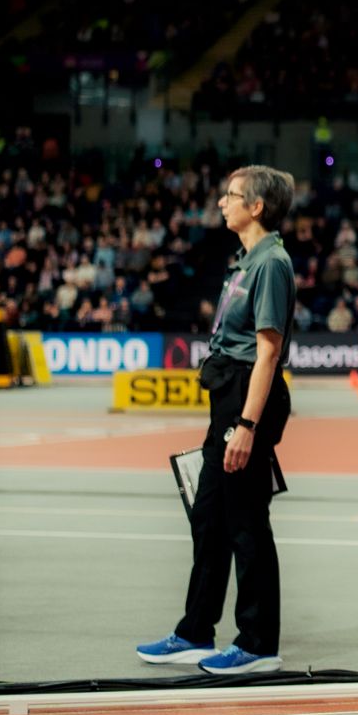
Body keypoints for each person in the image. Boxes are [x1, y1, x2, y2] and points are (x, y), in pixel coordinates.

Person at [137, 165, 297, 675]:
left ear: (257, 207)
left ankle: (258, 642)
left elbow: (268, 353)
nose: (222, 203)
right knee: (209, 517)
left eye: (231, 196)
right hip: (227, 394)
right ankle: (194, 632)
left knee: (246, 520)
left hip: (249, 399)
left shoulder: (271, 263)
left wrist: (247, 427)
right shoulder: (244, 262)